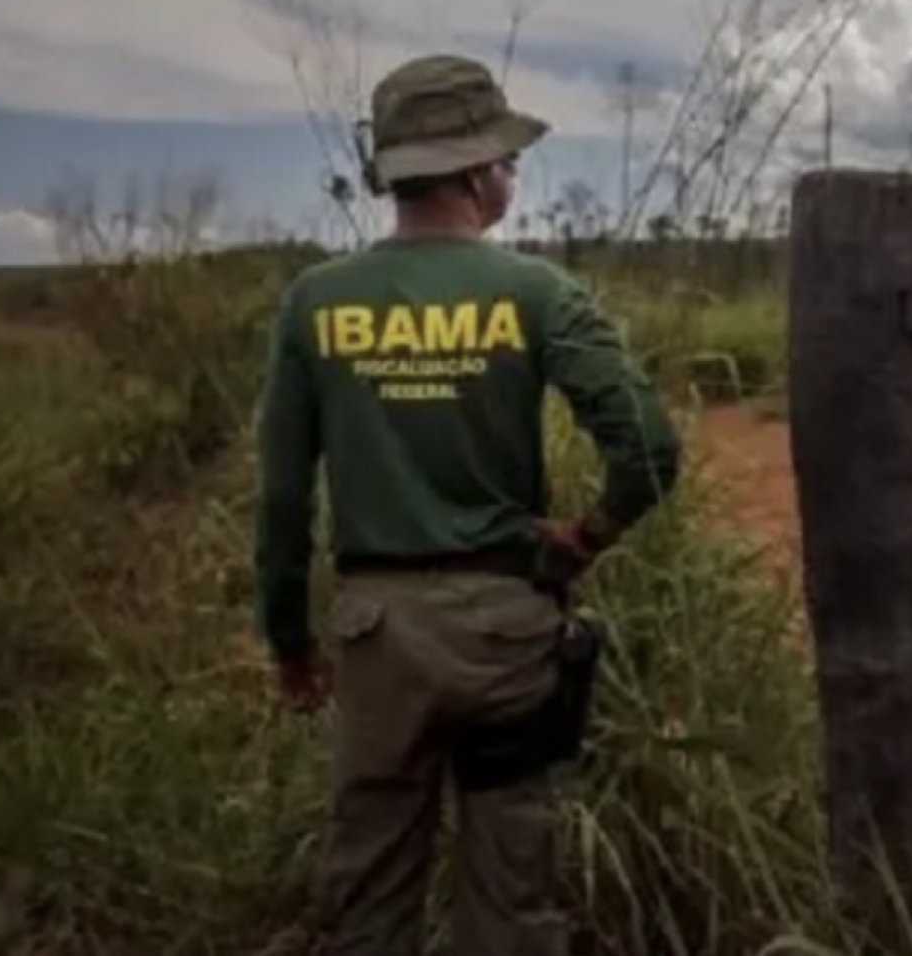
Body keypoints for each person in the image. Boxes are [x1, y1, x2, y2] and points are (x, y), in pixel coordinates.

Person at [250, 52, 682, 956]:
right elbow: (646, 447)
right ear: (481, 173)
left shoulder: (315, 303)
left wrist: (291, 644)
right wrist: (587, 535)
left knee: (367, 894)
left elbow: (284, 500)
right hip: (506, 634)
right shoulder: (536, 292)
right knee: (513, 901)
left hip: (376, 639)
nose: (512, 178)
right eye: (508, 162)